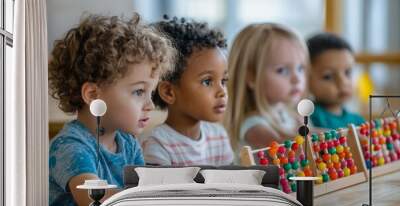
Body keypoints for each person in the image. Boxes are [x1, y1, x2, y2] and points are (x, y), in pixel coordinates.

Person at [48, 14, 175, 206]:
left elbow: (142, 193)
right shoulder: (70, 147)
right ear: (93, 95)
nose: (150, 105)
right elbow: (96, 204)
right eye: (138, 92)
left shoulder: (128, 143)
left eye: (150, 93)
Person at [141, 16, 234, 166]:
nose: (222, 92)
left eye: (223, 81)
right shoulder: (156, 145)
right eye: (207, 81)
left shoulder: (219, 137)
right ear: (169, 92)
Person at [225, 23, 307, 151]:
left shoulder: (290, 115)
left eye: (300, 68)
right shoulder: (253, 125)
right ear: (251, 77)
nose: (297, 79)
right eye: (282, 70)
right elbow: (282, 148)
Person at [307, 32, 365, 129]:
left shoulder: (358, 121)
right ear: (306, 80)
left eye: (347, 72)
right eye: (328, 76)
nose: (343, 82)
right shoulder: (310, 118)